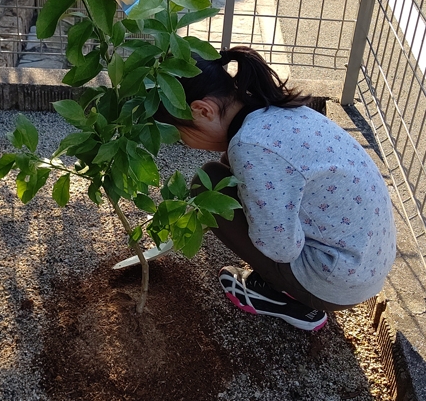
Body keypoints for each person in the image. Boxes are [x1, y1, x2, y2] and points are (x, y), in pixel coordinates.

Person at [155, 46, 396, 331]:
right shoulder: (268, 110)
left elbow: (280, 249)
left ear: (202, 110)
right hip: (366, 260)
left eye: (180, 134)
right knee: (222, 173)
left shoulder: (250, 146)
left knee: (206, 187)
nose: (183, 143)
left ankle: (285, 299)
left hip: (337, 282)